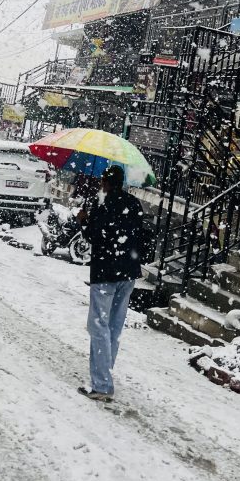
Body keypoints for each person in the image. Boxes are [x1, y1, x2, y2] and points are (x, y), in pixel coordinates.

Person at [77, 164, 144, 403]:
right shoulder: (135, 205)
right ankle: (105, 369)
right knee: (114, 326)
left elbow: (93, 237)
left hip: (106, 273)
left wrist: (83, 221)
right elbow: (142, 235)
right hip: (128, 274)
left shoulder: (103, 208)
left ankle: (102, 384)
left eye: (102, 181)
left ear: (106, 183)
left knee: (98, 326)